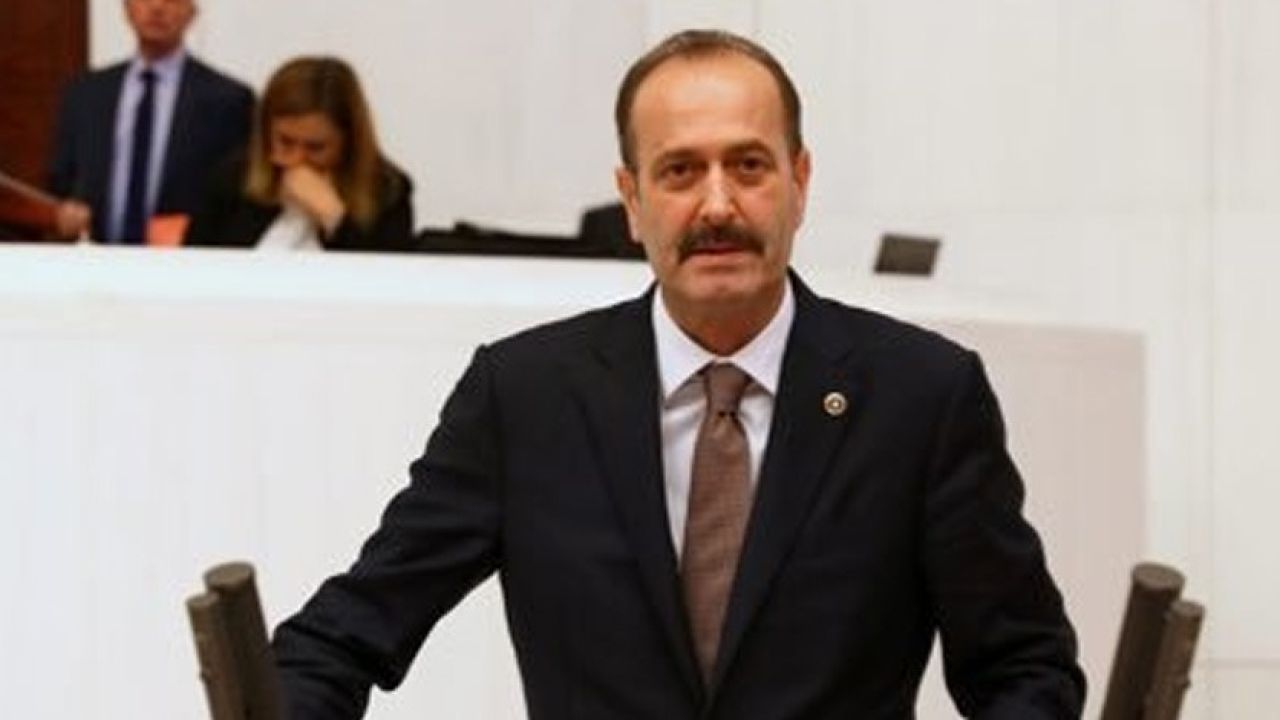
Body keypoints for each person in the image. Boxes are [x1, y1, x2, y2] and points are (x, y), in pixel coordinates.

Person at [272, 29, 1085, 718]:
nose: (718, 205)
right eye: (680, 171)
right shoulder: (523, 398)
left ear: (800, 184)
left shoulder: (921, 398)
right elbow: (342, 636)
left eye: (749, 165)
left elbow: (1024, 670)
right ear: (631, 201)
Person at [48, 0, 253, 243]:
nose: (157, 7)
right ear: (126, 8)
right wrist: (68, 212)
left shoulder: (228, 100)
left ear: (192, 12)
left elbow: (236, 197)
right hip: (97, 254)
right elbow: (61, 181)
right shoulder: (86, 93)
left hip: (186, 257)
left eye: (172, 0)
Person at [185, 56, 415, 252]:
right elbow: (192, 265)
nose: (297, 159)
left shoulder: (387, 189)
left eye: (316, 148)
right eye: (285, 142)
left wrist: (333, 216)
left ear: (349, 141)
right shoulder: (234, 178)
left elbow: (385, 278)